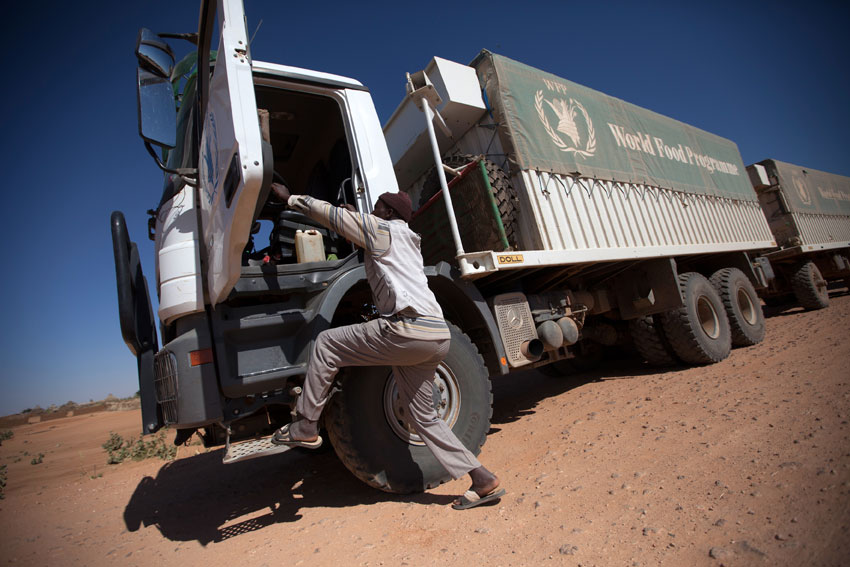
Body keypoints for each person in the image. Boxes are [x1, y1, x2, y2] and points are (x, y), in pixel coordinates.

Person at [268, 182, 504, 510]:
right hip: (437, 335)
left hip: (408, 331)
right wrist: (360, 220)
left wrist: (291, 198)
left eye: (377, 206)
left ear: (389, 213)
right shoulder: (407, 239)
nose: (372, 211)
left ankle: (306, 425)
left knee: (326, 344)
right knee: (425, 418)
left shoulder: (381, 229)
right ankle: (482, 479)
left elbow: (331, 216)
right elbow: (370, 238)